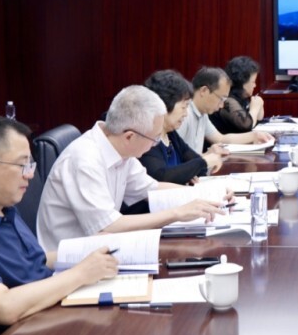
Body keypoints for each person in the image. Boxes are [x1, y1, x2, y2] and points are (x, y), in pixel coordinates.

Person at [0, 115, 119, 335]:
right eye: (22, 165)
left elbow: (35, 259)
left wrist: (87, 251)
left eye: (30, 165)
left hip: (52, 315)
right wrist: (81, 273)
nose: (29, 174)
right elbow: (4, 306)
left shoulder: (2, 207)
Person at [36, 85, 226, 251]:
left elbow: (151, 188)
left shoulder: (120, 149)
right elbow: (108, 225)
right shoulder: (85, 159)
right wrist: (176, 213)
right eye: (154, 138)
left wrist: (207, 195)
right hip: (69, 262)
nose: (155, 144)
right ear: (129, 136)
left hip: (100, 250)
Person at [140, 70, 224, 184]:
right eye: (183, 107)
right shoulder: (146, 136)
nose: (185, 114)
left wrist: (192, 171)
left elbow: (194, 161)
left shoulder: (171, 134)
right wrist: (203, 162)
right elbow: (160, 176)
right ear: (165, 105)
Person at [177, 66, 274, 153]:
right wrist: (206, 157)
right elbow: (176, 161)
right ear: (204, 91)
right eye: (221, 99)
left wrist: (254, 135)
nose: (222, 105)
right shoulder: (183, 115)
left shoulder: (202, 113)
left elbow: (220, 139)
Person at [211, 55, 264, 134]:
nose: (255, 85)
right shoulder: (227, 100)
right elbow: (246, 126)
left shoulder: (242, 97)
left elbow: (257, 120)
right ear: (243, 83)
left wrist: (259, 105)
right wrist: (255, 109)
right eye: (253, 82)